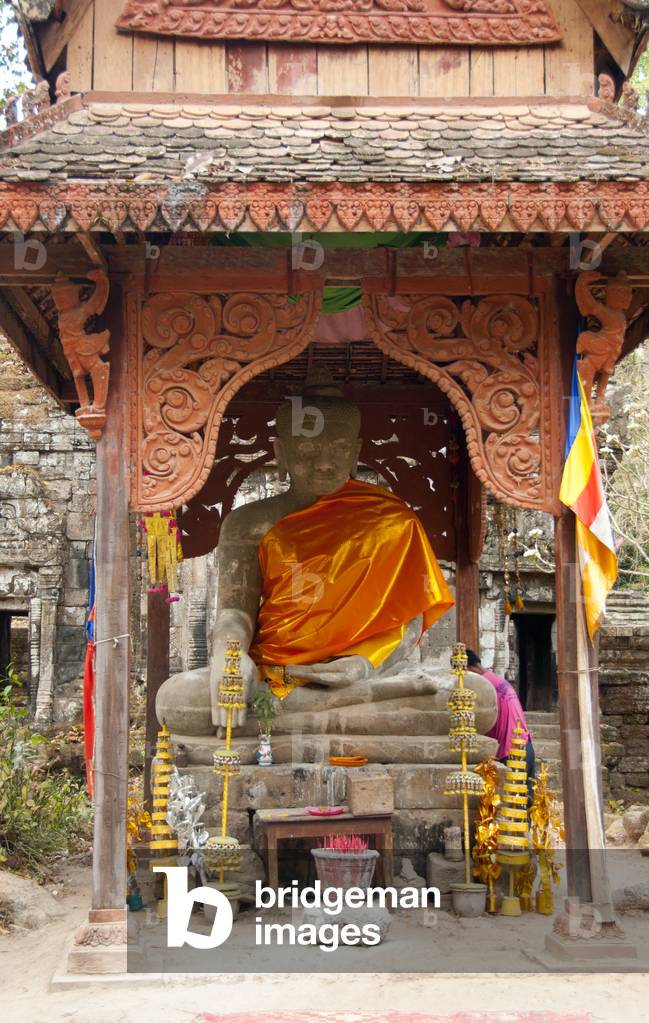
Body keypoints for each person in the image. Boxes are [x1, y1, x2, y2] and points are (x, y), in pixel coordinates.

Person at [466, 649, 536, 804]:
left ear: (469, 669)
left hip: (511, 752)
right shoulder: (498, 680)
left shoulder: (482, 686)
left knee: (511, 810)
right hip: (526, 746)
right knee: (524, 808)